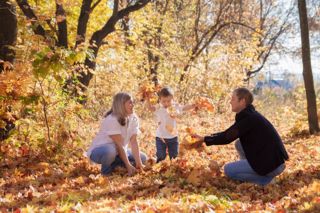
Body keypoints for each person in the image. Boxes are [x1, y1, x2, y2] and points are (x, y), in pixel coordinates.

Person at [192, 87, 289, 186]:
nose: (230, 102)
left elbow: (227, 137)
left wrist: (204, 139)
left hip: (272, 165)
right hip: (273, 161)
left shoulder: (249, 119)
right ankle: (250, 170)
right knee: (239, 144)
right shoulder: (249, 115)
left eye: (233, 99)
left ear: (242, 101)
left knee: (228, 170)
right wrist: (206, 137)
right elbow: (228, 132)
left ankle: (266, 181)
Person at [87, 92, 147, 176]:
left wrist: (139, 163)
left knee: (143, 158)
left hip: (119, 152)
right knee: (110, 151)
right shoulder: (112, 119)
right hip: (100, 151)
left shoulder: (133, 118)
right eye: (130, 103)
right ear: (121, 105)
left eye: (132, 102)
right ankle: (106, 173)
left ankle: (115, 166)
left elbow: (133, 142)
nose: (133, 105)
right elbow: (119, 145)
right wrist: (128, 165)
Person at [146, 87, 196, 162]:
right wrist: (147, 100)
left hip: (173, 137)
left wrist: (193, 105)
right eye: (164, 101)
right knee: (161, 156)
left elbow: (184, 108)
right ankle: (159, 170)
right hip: (160, 137)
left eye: (168, 101)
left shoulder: (175, 106)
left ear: (172, 99)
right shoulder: (159, 107)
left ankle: (172, 169)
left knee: (174, 156)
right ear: (160, 100)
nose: (166, 103)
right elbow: (150, 108)